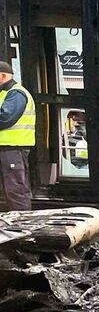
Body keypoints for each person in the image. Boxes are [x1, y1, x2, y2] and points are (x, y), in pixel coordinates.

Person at [0, 61, 35, 211]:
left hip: (13, 150)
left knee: (15, 190)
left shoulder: (16, 94)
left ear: (2, 76)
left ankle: (24, 227)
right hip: (6, 150)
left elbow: (5, 118)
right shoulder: (4, 94)